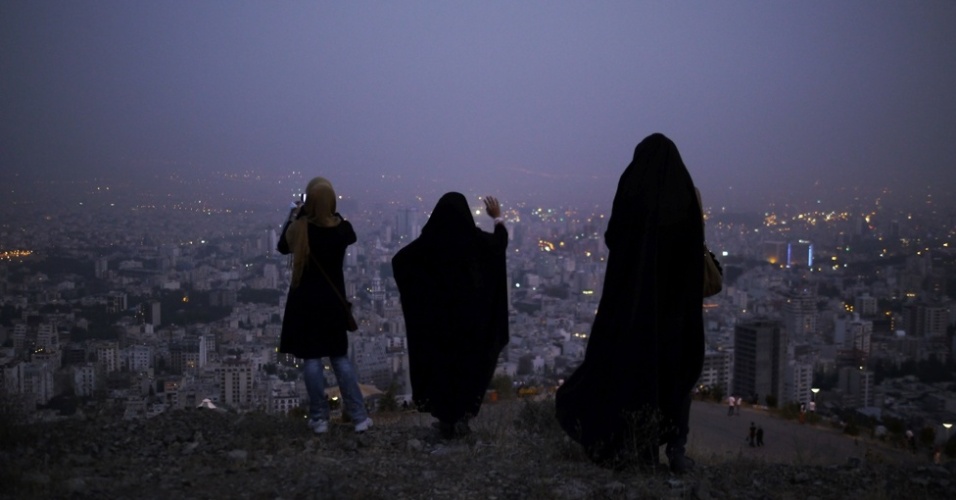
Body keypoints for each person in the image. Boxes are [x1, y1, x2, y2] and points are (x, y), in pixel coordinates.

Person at [554, 133, 705, 473]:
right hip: (675, 308)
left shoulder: (632, 190)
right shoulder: (686, 197)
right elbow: (695, 252)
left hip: (632, 305)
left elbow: (613, 237)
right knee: (674, 372)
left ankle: (626, 445)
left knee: (629, 370)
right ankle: (677, 451)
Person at [392, 193, 509, 439]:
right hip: (471, 328)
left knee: (441, 370)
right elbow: (499, 245)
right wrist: (497, 218)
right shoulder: (476, 243)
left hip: (437, 328)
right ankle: (462, 419)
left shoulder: (427, 246)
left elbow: (400, 261)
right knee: (467, 369)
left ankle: (446, 421)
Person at [277, 177, 371, 435]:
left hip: (305, 302)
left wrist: (296, 214)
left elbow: (282, 247)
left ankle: (319, 419)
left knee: (312, 359)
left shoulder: (300, 228)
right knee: (340, 358)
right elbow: (348, 230)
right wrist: (327, 211)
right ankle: (359, 417)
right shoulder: (341, 230)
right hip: (332, 303)